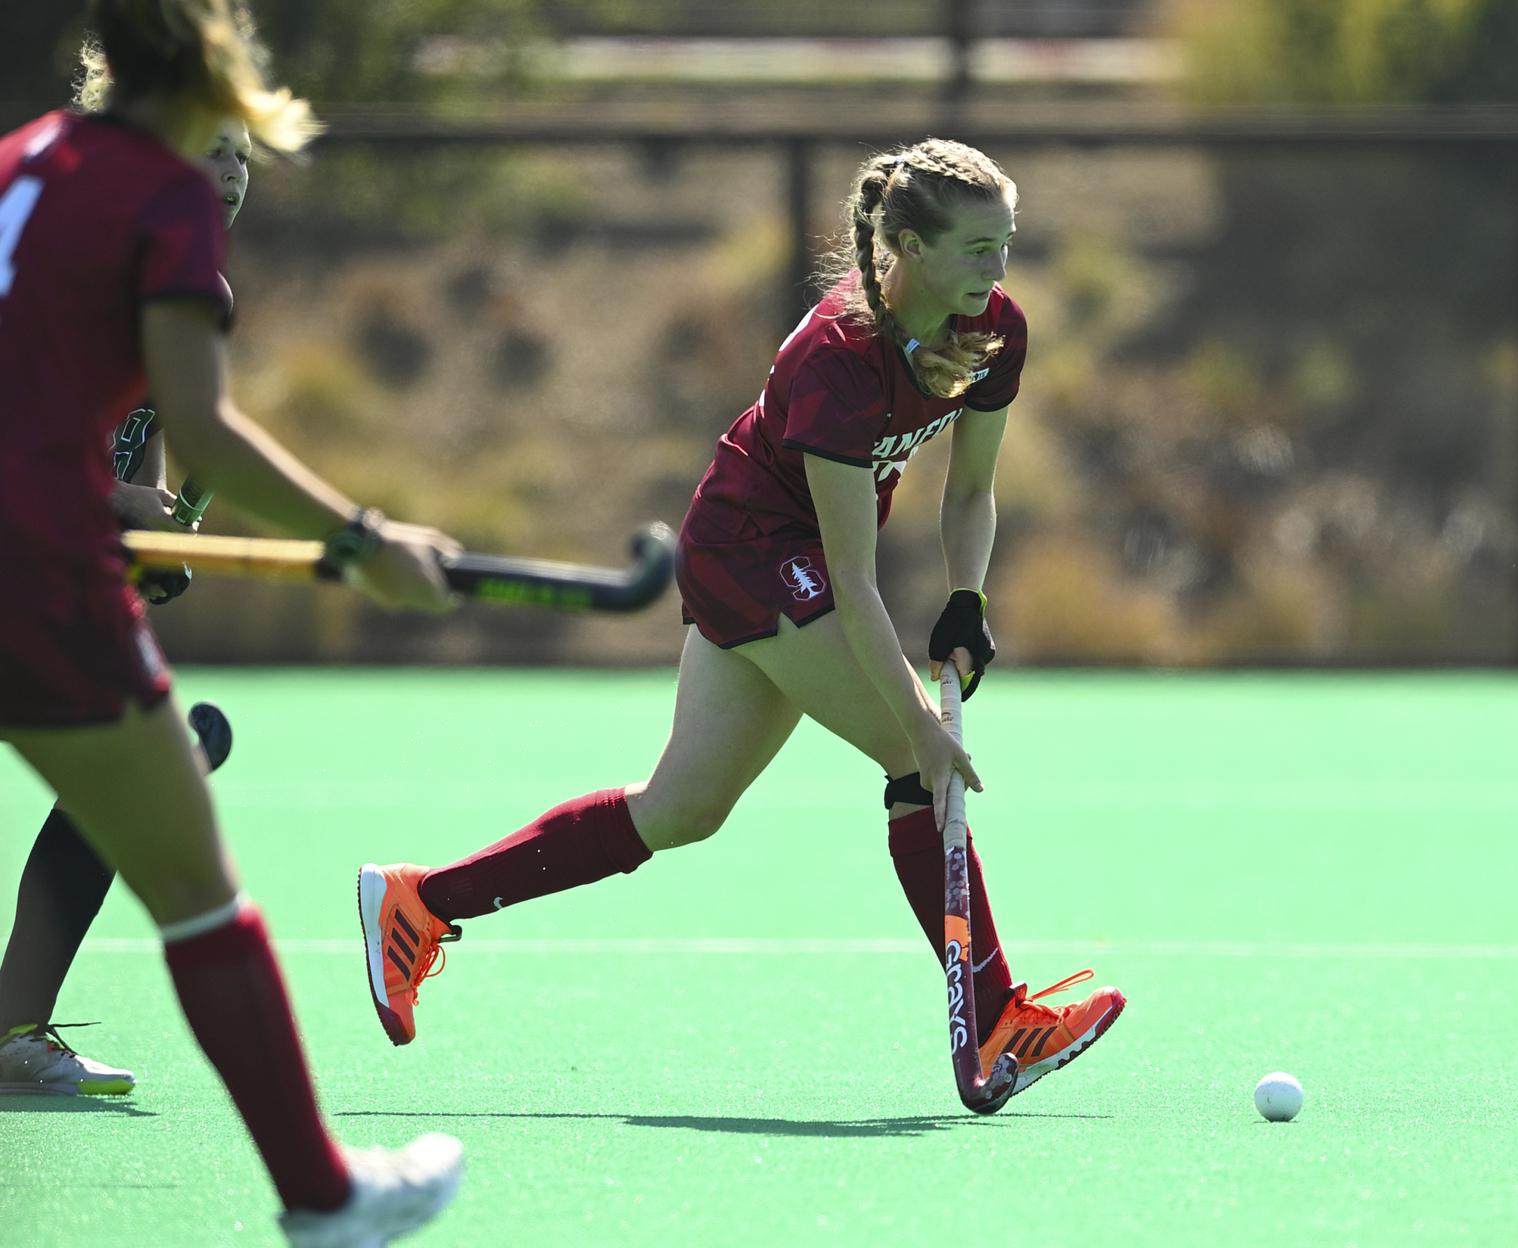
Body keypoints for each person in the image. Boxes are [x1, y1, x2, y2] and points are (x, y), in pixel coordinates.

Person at [358, 138, 1126, 1105]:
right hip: (751, 552)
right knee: (908, 759)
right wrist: (921, 730)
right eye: (977, 248)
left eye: (1005, 244)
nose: (998, 269)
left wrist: (967, 597)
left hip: (791, 559)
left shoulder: (994, 328)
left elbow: (970, 490)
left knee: (681, 809)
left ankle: (420, 902)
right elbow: (851, 575)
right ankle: (993, 1019)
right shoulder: (836, 360)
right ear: (907, 248)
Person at [0, 2, 465, 1242]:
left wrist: (134, 517)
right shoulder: (162, 210)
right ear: (212, 68)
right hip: (29, 576)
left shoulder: (24, 163)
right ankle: (325, 1198)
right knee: (199, 885)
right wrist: (362, 543)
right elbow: (195, 440)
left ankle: (11, 1025)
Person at [0, 76, 253, 1097]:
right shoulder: (60, 270)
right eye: (208, 152)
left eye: (241, 157)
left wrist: (141, 524)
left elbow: (134, 448)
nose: (229, 177)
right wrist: (114, 504)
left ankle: (15, 1031)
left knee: (120, 789)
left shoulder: (201, 294)